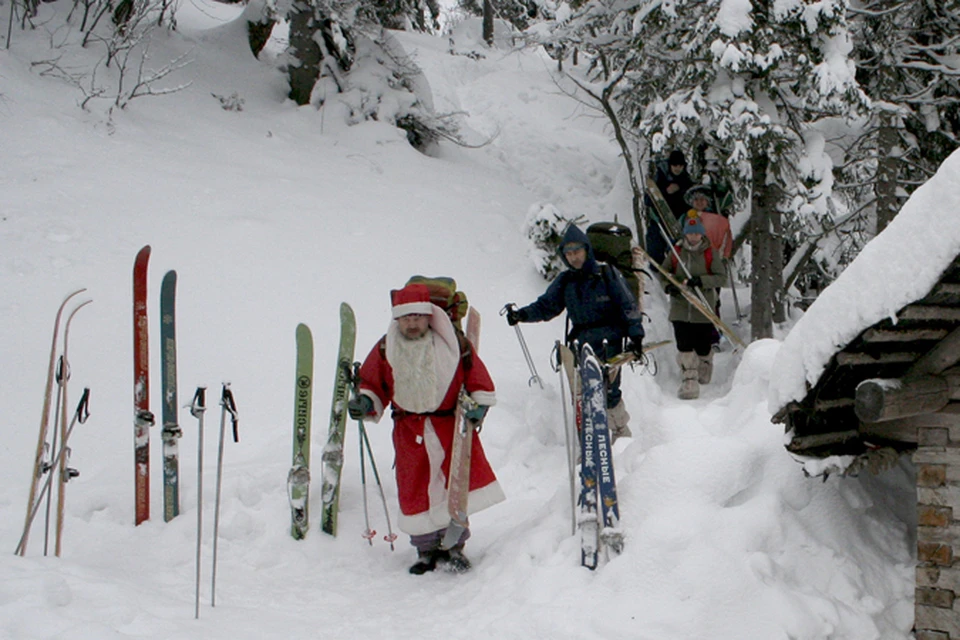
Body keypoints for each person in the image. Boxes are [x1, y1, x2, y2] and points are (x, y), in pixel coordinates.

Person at [347, 283, 504, 575]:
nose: (412, 323)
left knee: (453, 487)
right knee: (415, 489)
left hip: (449, 427)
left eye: (418, 317)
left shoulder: (451, 343)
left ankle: (455, 546)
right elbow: (372, 382)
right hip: (409, 431)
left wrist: (480, 404)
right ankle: (425, 550)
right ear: (398, 319)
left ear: (428, 316)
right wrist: (365, 403)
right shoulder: (385, 347)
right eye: (407, 318)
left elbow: (475, 374)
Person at [505, 224, 644, 440]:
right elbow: (546, 306)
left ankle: (620, 432)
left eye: (577, 252)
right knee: (583, 395)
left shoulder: (607, 274)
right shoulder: (565, 281)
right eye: (568, 254)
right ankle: (590, 441)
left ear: (586, 250)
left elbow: (628, 305)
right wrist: (521, 315)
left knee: (609, 392)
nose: (573, 258)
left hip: (610, 342)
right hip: (580, 345)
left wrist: (636, 337)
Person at [660, 215, 727, 400]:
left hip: (703, 307)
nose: (694, 237)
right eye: (691, 234)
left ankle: (704, 364)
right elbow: (664, 273)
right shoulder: (676, 252)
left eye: (697, 233)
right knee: (684, 345)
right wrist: (669, 286)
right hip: (681, 308)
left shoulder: (710, 253)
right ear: (686, 234)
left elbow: (721, 277)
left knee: (703, 345)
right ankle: (689, 381)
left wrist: (702, 281)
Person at [646, 149, 693, 264]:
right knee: (656, 244)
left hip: (678, 221)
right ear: (670, 164)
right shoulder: (660, 176)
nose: (678, 168)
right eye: (675, 165)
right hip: (659, 218)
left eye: (680, 165)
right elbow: (649, 198)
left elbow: (690, 200)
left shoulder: (686, 179)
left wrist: (680, 190)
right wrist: (666, 191)